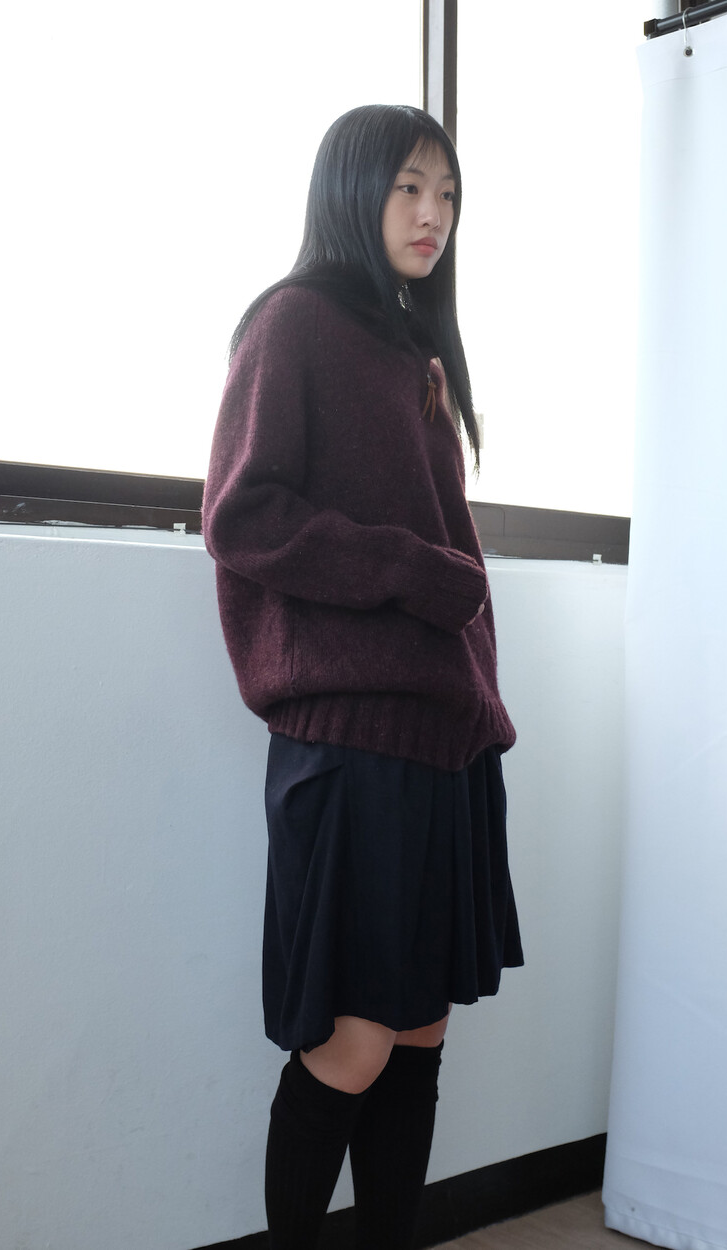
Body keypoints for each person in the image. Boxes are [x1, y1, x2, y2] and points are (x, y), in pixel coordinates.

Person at [202, 103, 523, 1250]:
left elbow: (449, 551)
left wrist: (478, 691)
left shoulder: (412, 348)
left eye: (448, 193)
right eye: (408, 187)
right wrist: (406, 569)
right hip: (353, 742)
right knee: (352, 1042)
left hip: (444, 735)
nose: (433, 213)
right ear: (352, 190)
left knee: (422, 1034)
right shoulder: (292, 323)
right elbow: (241, 514)